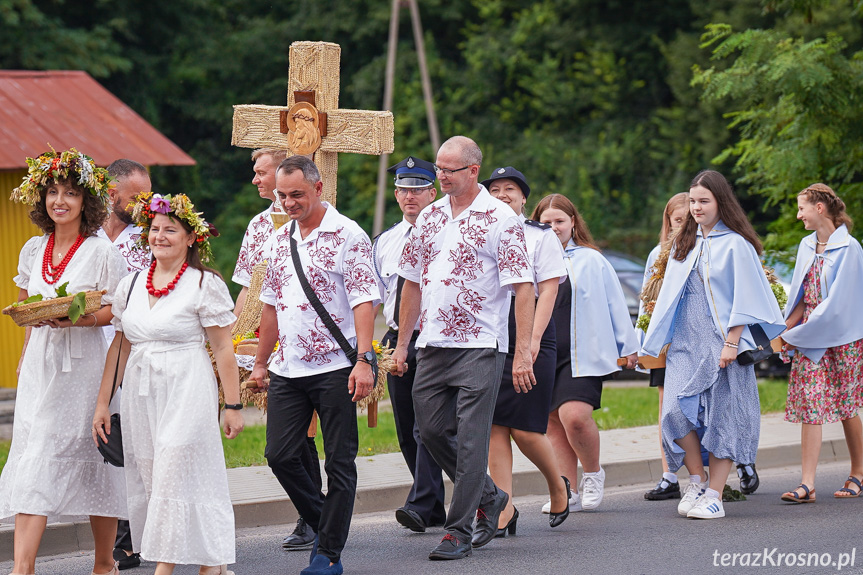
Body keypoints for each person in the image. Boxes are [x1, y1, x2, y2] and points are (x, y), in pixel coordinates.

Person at [392, 136, 535, 561]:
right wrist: (402, 344)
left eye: (449, 170)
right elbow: (412, 282)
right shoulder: (430, 216)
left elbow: (523, 289)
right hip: (432, 342)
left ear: (473, 171)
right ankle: (491, 496)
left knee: (472, 439)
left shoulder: (500, 219)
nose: (440, 176)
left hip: (480, 344)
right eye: (439, 168)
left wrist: (523, 351)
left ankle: (459, 530)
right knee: (431, 430)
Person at [92, 191, 244, 575]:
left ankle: (165, 566)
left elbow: (224, 349)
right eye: (154, 229)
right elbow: (120, 348)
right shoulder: (129, 285)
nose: (159, 236)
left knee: (175, 468)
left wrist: (233, 405)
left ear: (191, 238)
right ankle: (213, 560)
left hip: (186, 385)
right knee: (151, 472)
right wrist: (102, 404)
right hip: (141, 391)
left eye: (170, 230)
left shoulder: (203, 284)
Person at [248, 155, 378, 575]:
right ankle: (328, 524)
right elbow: (270, 307)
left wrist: (363, 359)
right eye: (283, 195)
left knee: (340, 460)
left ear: (319, 189)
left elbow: (363, 301)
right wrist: (261, 364)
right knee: (279, 455)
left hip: (337, 366)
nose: (289, 202)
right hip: (288, 367)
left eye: (297, 194)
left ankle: (328, 555)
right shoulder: (278, 239)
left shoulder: (348, 235)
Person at [1, 148, 126, 575]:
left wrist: (79, 320)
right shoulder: (34, 249)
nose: (60, 201)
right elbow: (24, 307)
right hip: (40, 367)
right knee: (34, 455)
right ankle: (23, 569)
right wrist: (24, 352)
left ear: (85, 202)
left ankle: (104, 563)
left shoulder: (102, 251)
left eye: (70, 193)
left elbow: (117, 310)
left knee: (93, 461)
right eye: (53, 191)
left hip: (86, 368)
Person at [642, 169, 784, 520]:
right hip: (685, 345)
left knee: (723, 417)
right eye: (692, 201)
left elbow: (746, 297)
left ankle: (715, 496)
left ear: (722, 202)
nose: (696, 207)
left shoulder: (736, 244)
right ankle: (697, 479)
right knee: (674, 413)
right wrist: (651, 340)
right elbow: (666, 297)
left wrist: (732, 343)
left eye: (704, 201)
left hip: (723, 345)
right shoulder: (682, 244)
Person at [233, 148, 321, 550]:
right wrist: (234, 339)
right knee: (285, 441)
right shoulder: (258, 225)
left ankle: (315, 517)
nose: (256, 179)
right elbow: (250, 291)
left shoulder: (321, 219)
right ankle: (314, 513)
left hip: (315, 345)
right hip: (272, 345)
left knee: (305, 434)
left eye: (261, 171)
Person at [532, 194, 638, 514]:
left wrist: (628, 344)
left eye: (559, 221)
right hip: (543, 352)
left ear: (573, 223)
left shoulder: (592, 260)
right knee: (552, 421)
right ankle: (567, 488)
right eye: (545, 223)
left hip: (583, 353)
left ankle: (592, 473)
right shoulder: (529, 259)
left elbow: (615, 302)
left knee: (574, 417)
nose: (553, 228)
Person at [482, 167, 570, 534]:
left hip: (532, 330)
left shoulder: (539, 236)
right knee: (493, 427)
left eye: (511, 190)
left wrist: (531, 341)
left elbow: (548, 289)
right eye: (496, 189)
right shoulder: (480, 231)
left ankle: (557, 485)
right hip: (490, 333)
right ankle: (504, 509)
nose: (502, 194)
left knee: (526, 429)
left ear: (523, 199)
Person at [373, 156, 446, 532]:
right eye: (403, 190)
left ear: (432, 193)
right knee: (405, 427)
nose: (410, 196)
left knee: (427, 425)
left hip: (435, 338)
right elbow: (373, 298)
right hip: (396, 337)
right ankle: (433, 507)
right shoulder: (384, 242)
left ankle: (419, 503)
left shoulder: (444, 233)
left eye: (418, 189)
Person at [779, 183, 863, 503]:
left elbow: (839, 304)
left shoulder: (849, 248)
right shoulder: (805, 246)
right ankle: (807, 484)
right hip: (810, 334)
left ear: (820, 208)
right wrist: (785, 330)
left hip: (843, 337)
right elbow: (801, 296)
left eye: (802, 208)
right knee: (810, 405)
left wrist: (798, 333)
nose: (798, 214)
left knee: (846, 406)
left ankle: (858, 472)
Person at [98, 159, 152, 569]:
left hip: (132, 352)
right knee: (103, 441)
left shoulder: (149, 236)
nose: (144, 205)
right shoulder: (87, 235)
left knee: (129, 442)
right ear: (111, 193)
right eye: (137, 197)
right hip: (87, 349)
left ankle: (130, 535)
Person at [640, 193, 688, 501]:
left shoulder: (703, 249)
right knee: (665, 408)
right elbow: (647, 299)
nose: (683, 226)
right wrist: (642, 340)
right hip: (666, 342)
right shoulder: (659, 254)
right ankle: (669, 474)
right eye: (678, 220)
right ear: (668, 221)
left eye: (689, 220)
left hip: (697, 340)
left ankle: (725, 468)